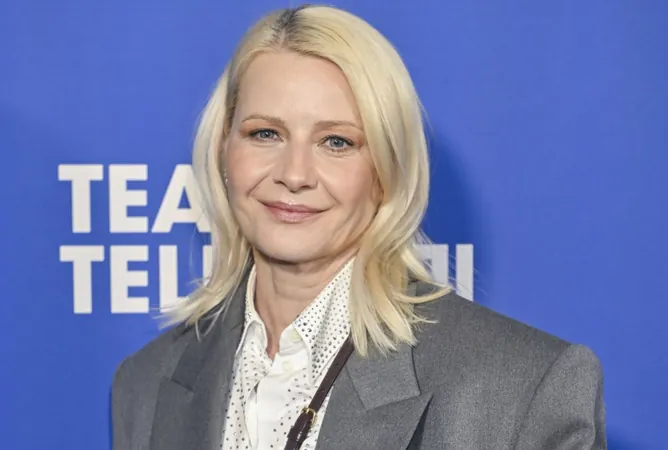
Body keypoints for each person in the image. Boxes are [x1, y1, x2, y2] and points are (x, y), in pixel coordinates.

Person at [111, 5, 606, 450]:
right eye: (265, 133)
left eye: (337, 142)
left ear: (387, 169)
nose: (294, 174)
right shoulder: (145, 385)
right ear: (224, 151)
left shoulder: (523, 388)